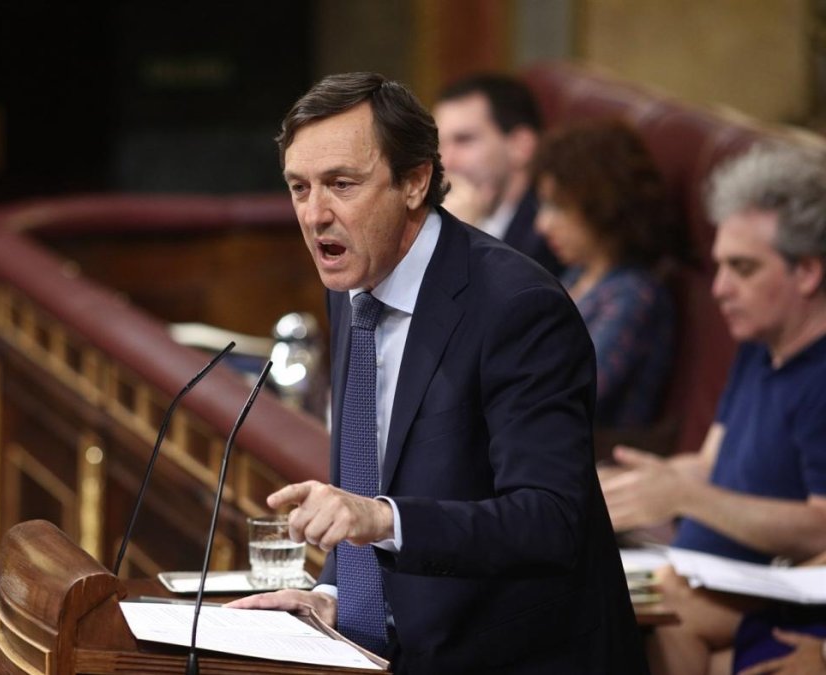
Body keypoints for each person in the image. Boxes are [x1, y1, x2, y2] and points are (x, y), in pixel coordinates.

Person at [227, 72, 646, 673]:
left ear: (416, 180)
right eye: (299, 187)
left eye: (342, 184)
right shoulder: (352, 285)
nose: (315, 214)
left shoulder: (517, 306)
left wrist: (382, 518)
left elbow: (549, 520)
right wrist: (335, 597)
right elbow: (369, 468)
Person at [601, 144, 826, 675]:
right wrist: (610, 487)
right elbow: (712, 464)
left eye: (742, 269)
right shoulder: (759, 345)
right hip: (700, 568)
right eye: (719, 266)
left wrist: (685, 496)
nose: (721, 289)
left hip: (765, 585)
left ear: (809, 272)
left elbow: (822, 528)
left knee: (659, 605)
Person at [531, 120, 680, 428]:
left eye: (558, 207)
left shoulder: (634, 295)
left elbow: (564, 397)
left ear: (602, 204)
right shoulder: (577, 274)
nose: (542, 224)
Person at [434, 73, 564, 276]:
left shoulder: (551, 231)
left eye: (464, 140)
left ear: (521, 146)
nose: (445, 161)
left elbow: (519, 302)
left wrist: (464, 240)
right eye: (439, 144)